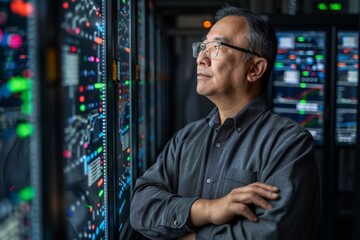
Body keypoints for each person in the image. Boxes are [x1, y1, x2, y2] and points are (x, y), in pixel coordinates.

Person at [130, 5, 320, 240]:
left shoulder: (289, 144)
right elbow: (140, 206)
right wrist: (208, 210)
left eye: (216, 47)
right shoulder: (187, 138)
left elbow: (272, 233)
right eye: (202, 47)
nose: (201, 58)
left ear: (255, 69)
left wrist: (189, 237)